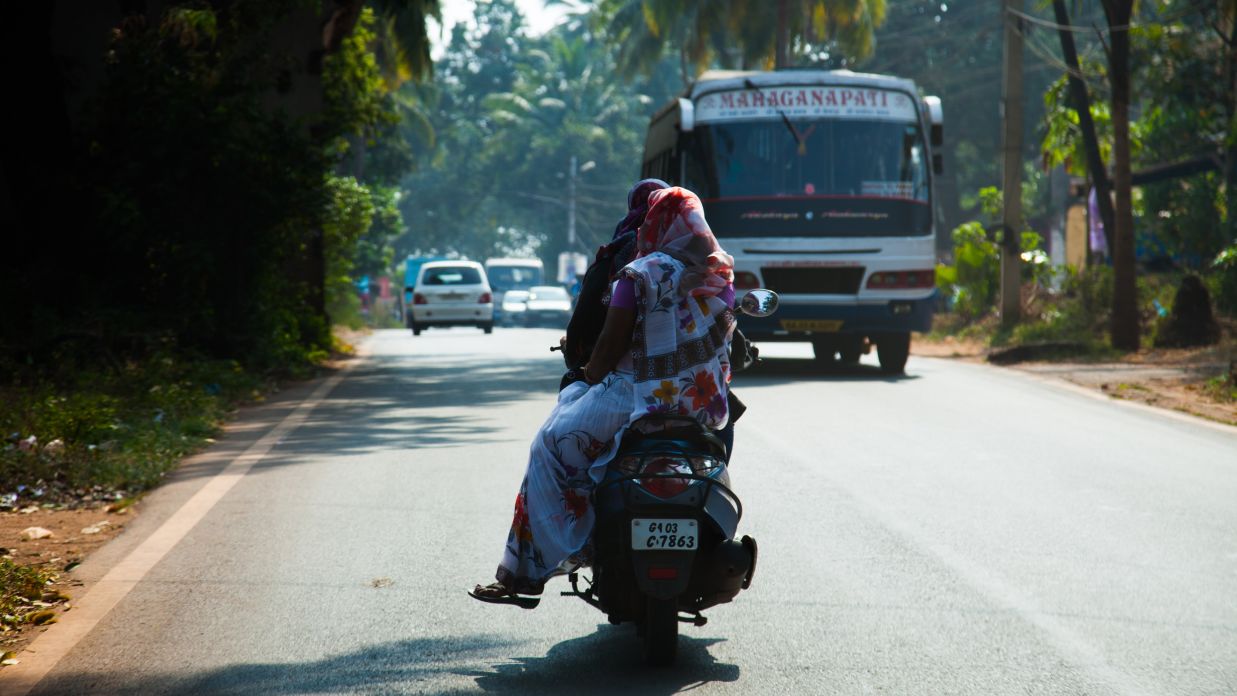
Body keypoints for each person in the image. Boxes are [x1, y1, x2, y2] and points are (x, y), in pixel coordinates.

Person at [470, 187, 736, 606]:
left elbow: (609, 348)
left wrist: (588, 374)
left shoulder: (638, 275)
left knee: (548, 446)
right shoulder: (721, 276)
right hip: (703, 407)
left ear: (656, 225)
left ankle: (534, 567)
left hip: (631, 401)